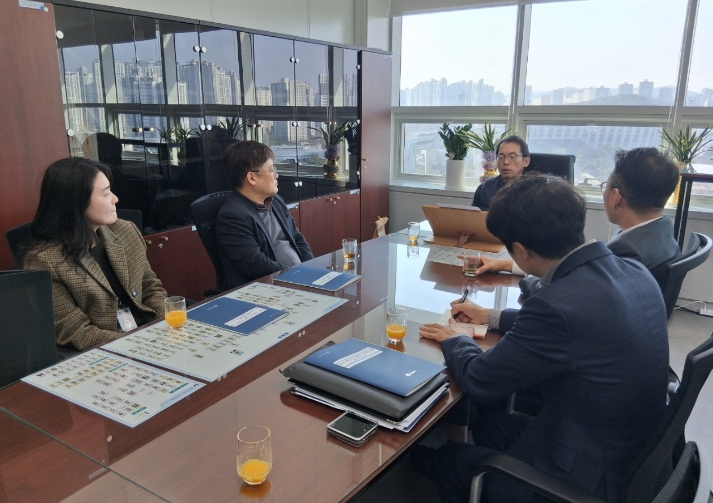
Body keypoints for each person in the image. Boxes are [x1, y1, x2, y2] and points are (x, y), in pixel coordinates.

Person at [417, 175, 669, 503]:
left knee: (450, 461)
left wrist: (455, 337)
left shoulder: (556, 305)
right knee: (491, 425)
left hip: (592, 475)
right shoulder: (632, 267)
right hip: (632, 447)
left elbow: (480, 380)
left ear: (520, 251)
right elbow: (575, 326)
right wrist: (490, 316)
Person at [478, 147, 681, 290]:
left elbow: (564, 289)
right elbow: (569, 269)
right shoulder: (661, 233)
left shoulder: (627, 251)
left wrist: (529, 281)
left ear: (616, 197)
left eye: (605, 186)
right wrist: (505, 265)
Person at [23, 158, 167, 351]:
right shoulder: (45, 261)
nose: (115, 199)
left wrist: (166, 325)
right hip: (110, 350)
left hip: (152, 334)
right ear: (77, 202)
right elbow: (76, 331)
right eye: (106, 193)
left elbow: (150, 287)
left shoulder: (125, 231)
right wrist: (140, 343)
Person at [216, 141, 314, 289]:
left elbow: (297, 238)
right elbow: (256, 264)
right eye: (272, 170)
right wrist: (296, 276)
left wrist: (312, 268)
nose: (276, 175)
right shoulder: (232, 216)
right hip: (268, 288)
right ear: (252, 178)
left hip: (297, 280)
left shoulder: (276, 201)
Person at [471, 135, 530, 210]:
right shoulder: (485, 189)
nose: (505, 162)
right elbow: (473, 215)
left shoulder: (535, 192)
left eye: (512, 157)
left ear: (526, 161)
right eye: (501, 157)